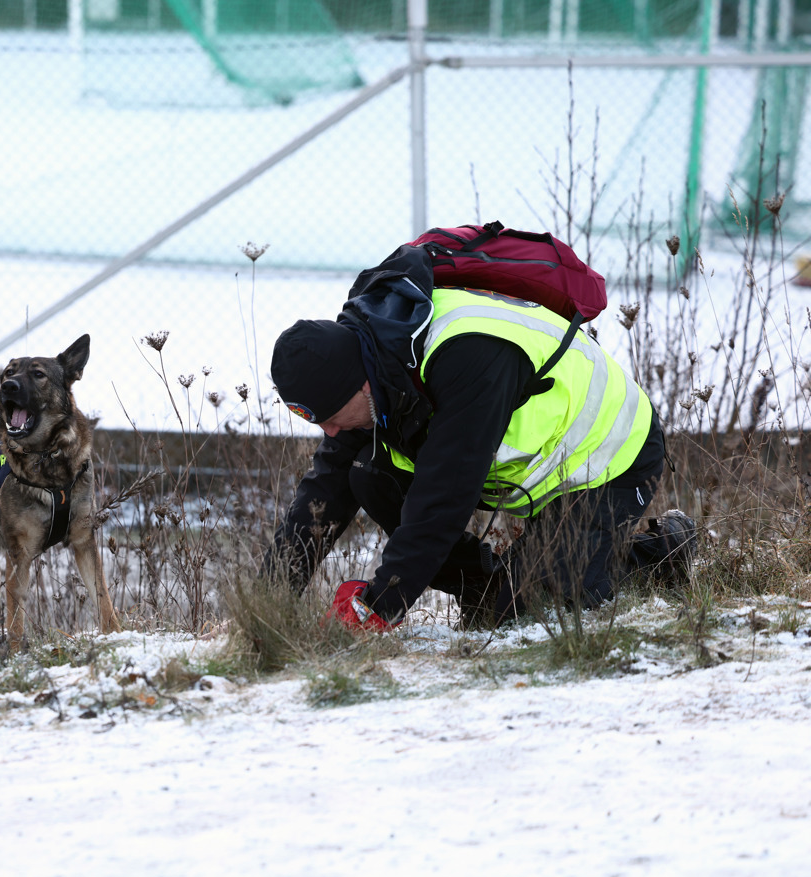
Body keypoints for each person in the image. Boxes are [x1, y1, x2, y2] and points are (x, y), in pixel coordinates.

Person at [267, 243, 696, 631]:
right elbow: (323, 494)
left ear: (358, 384)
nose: (331, 431)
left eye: (332, 417)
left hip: (610, 455)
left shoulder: (465, 354)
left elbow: (444, 497)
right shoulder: (374, 365)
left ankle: (664, 550)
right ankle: (489, 589)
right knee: (367, 471)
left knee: (539, 610)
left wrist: (378, 606)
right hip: (545, 467)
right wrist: (269, 601)